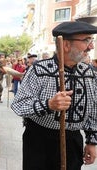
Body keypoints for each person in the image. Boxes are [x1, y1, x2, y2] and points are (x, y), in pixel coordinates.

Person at [11, 21, 97, 170]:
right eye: (86, 41)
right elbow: (19, 105)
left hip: (73, 142)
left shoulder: (90, 73)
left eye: (92, 41)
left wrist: (92, 141)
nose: (91, 47)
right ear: (65, 45)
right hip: (39, 142)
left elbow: (94, 110)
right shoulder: (38, 70)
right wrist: (48, 104)